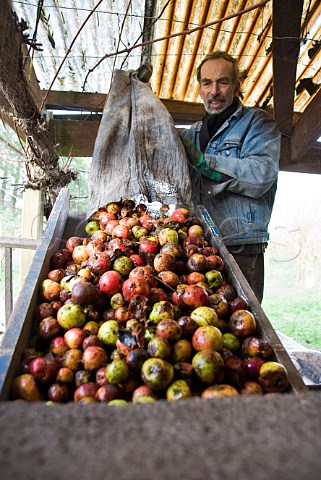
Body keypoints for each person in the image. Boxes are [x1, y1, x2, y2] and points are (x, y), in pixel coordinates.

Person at [180, 51, 280, 303]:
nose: (214, 90)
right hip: (198, 248)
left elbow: (261, 175)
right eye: (207, 83)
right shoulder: (191, 135)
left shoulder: (256, 123)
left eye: (223, 82)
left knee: (245, 328)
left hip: (240, 247)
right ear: (200, 88)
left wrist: (206, 162)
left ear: (236, 86)